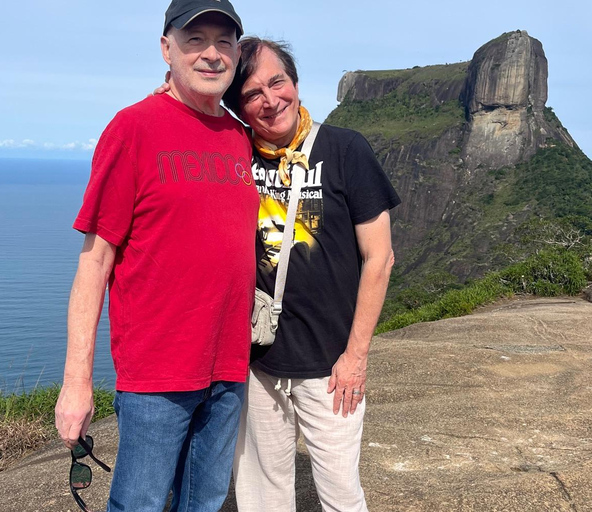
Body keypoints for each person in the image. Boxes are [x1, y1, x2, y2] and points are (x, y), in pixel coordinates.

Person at [54, 1, 260, 511]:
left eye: (224, 41)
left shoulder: (238, 138)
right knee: (140, 505)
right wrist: (76, 382)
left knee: (205, 501)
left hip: (229, 368)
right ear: (166, 50)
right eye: (194, 40)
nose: (211, 54)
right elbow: (95, 260)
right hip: (156, 377)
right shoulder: (133, 128)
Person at [223, 39, 401, 512]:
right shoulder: (235, 153)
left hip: (331, 364)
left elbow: (379, 258)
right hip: (257, 359)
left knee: (341, 494)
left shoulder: (345, 148)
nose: (270, 99)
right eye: (252, 92)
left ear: (296, 83)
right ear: (240, 108)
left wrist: (356, 357)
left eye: (277, 82)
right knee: (261, 493)